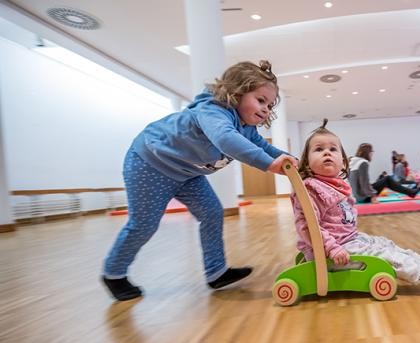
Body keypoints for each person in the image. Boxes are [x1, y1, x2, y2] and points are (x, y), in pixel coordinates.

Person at [101, 60, 298, 301]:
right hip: (149, 164)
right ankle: (114, 273)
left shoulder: (247, 129)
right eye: (260, 100)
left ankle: (216, 272)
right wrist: (268, 165)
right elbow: (225, 139)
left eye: (269, 104)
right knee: (144, 224)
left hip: (187, 174)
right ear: (236, 93)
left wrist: (294, 162)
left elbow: (263, 146)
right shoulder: (212, 110)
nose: (266, 109)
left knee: (212, 212)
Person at [292, 119, 420, 286]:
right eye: (319, 149)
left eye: (333, 149)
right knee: (382, 254)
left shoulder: (334, 184)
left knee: (382, 243)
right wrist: (332, 248)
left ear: (343, 162)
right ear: (306, 161)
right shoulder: (311, 188)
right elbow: (308, 226)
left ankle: (418, 260)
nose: (327, 153)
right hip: (334, 252)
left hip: (348, 240)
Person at [349, 144, 420, 203]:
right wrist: (372, 196)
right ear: (368, 152)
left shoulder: (353, 161)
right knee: (387, 179)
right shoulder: (363, 163)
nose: (372, 154)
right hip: (364, 196)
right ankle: (411, 192)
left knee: (386, 180)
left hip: (357, 196)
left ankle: (411, 192)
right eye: (372, 152)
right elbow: (364, 183)